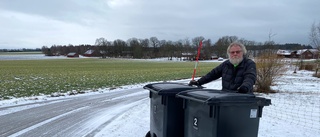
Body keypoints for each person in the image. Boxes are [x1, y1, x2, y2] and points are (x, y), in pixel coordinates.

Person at [189, 42, 256, 93]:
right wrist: (198, 82)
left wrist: (245, 87)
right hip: (226, 98)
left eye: (237, 52)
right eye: (232, 52)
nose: (235, 54)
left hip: (242, 99)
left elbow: (250, 77)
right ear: (229, 54)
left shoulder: (249, 64)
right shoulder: (226, 64)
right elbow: (213, 74)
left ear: (243, 52)